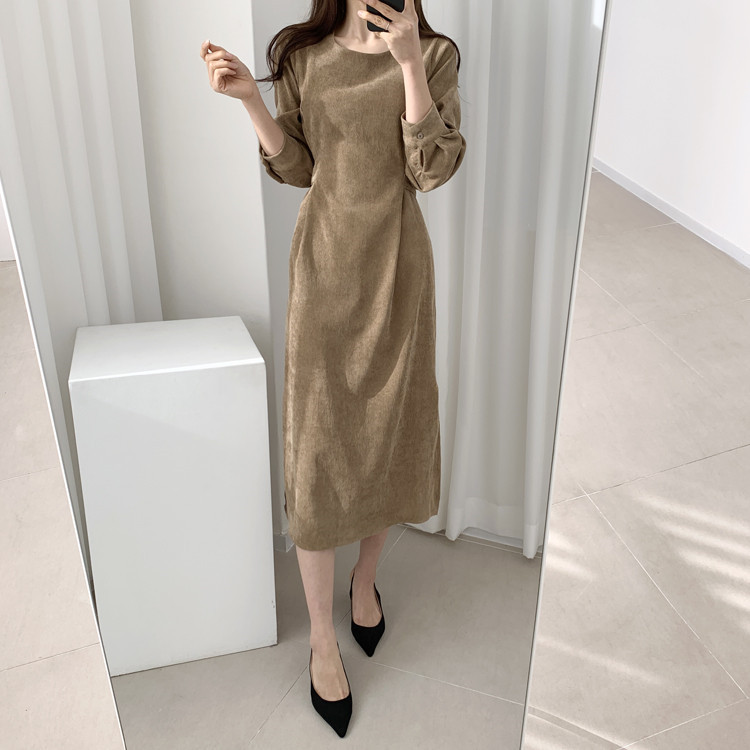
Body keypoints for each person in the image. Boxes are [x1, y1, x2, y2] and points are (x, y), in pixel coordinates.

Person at [200, 0, 465, 737]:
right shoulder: (301, 55)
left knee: (389, 438)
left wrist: (408, 64)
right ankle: (322, 637)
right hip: (323, 273)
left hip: (397, 271)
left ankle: (365, 582)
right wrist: (251, 100)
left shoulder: (434, 53)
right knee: (317, 457)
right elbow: (299, 167)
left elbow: (430, 170)